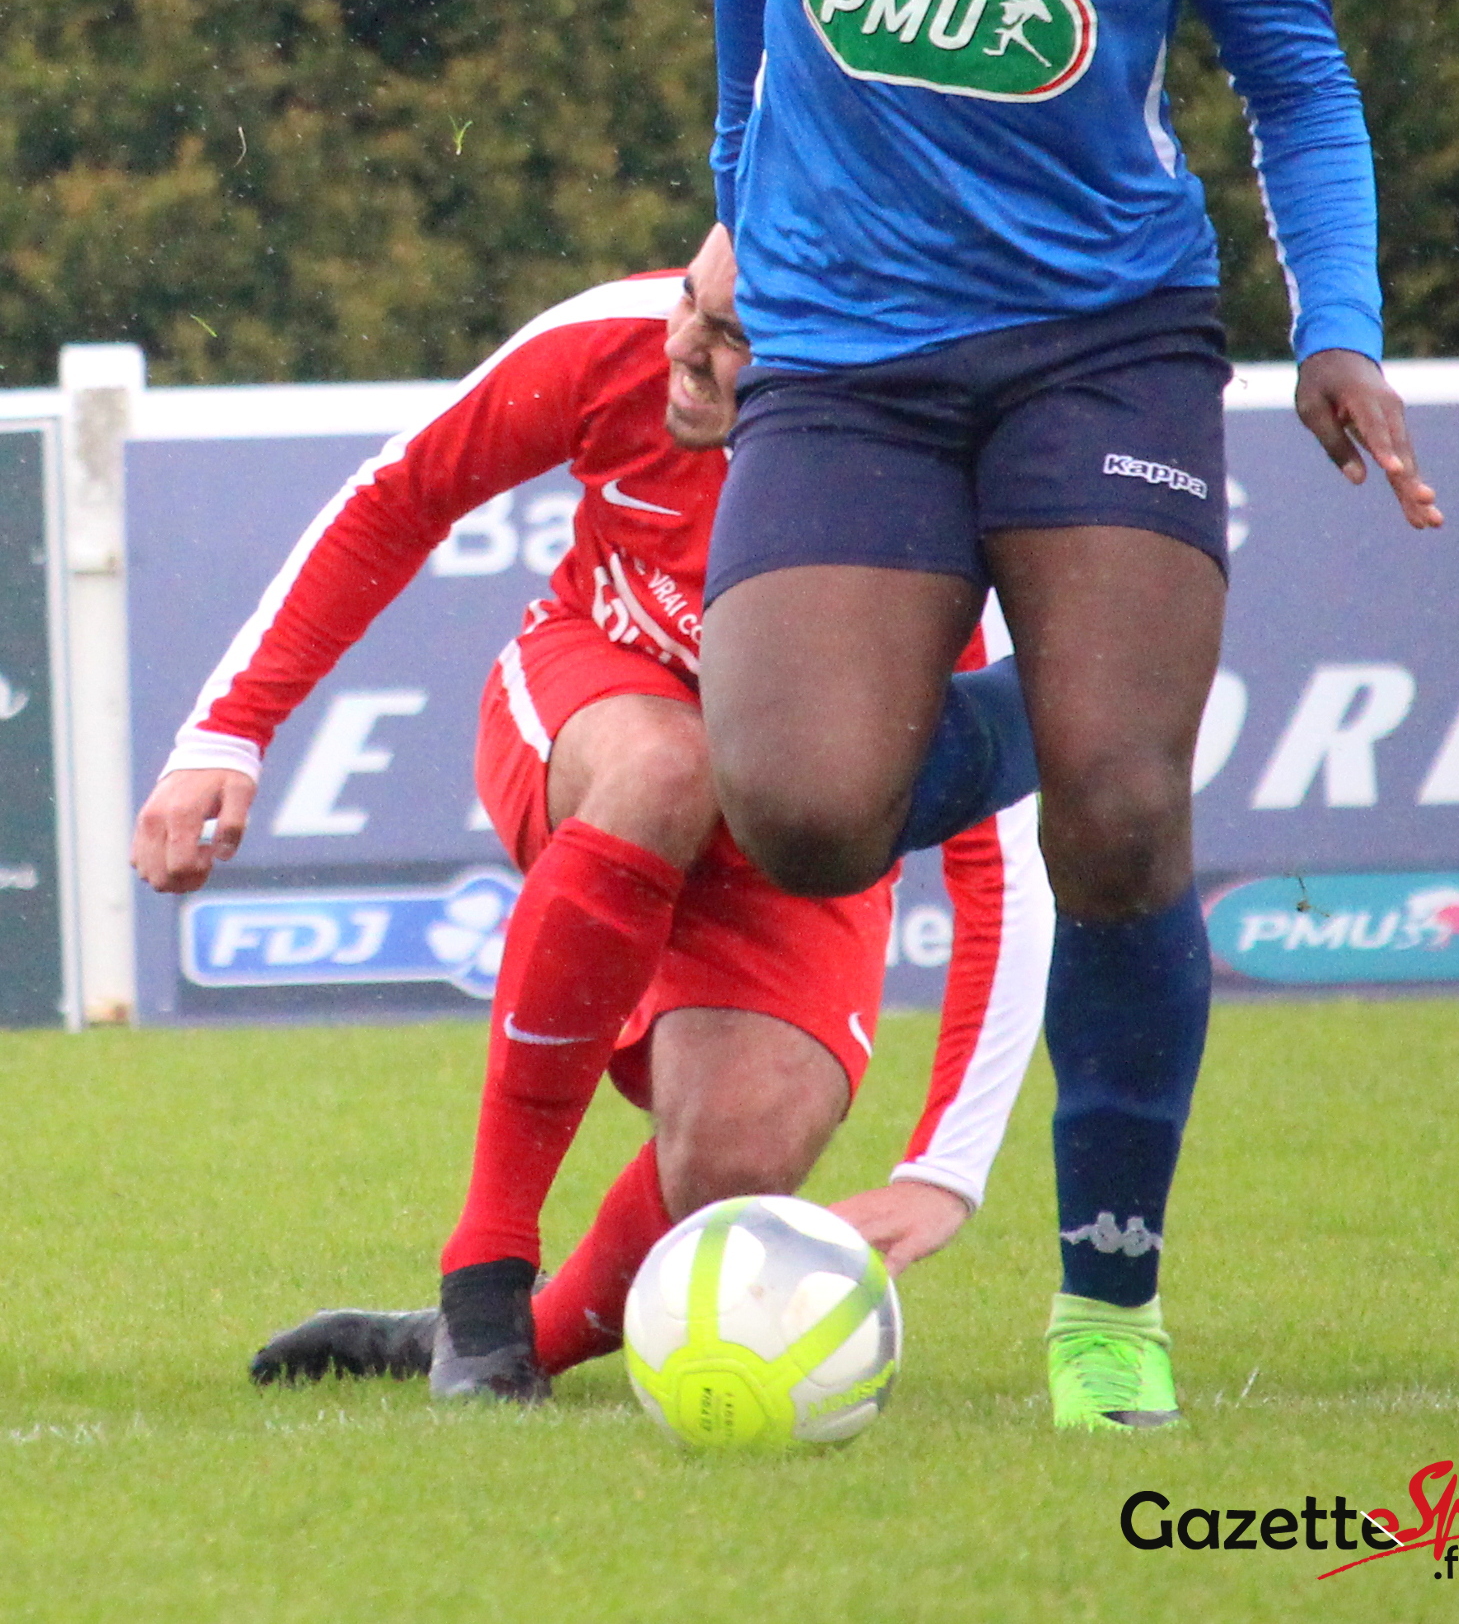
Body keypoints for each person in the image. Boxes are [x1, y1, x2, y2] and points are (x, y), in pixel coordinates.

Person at [695, 0, 1443, 1434]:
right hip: (846, 353)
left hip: (1100, 336)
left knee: (1121, 816)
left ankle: (1107, 1309)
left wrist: (1338, 318)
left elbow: (1295, 72)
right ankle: (1099, 685)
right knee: (802, 814)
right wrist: (731, 212)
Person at [133, 229, 1050, 1400]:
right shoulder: (615, 339)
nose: (682, 347)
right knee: (671, 766)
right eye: (690, 302)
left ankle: (492, 1343)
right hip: (596, 700)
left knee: (742, 1154)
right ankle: (486, 1266)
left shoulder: (928, 510)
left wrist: (946, 1166)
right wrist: (226, 732)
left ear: (832, 364)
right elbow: (397, 495)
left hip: (795, 814)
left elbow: (1000, 859)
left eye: (728, 336)